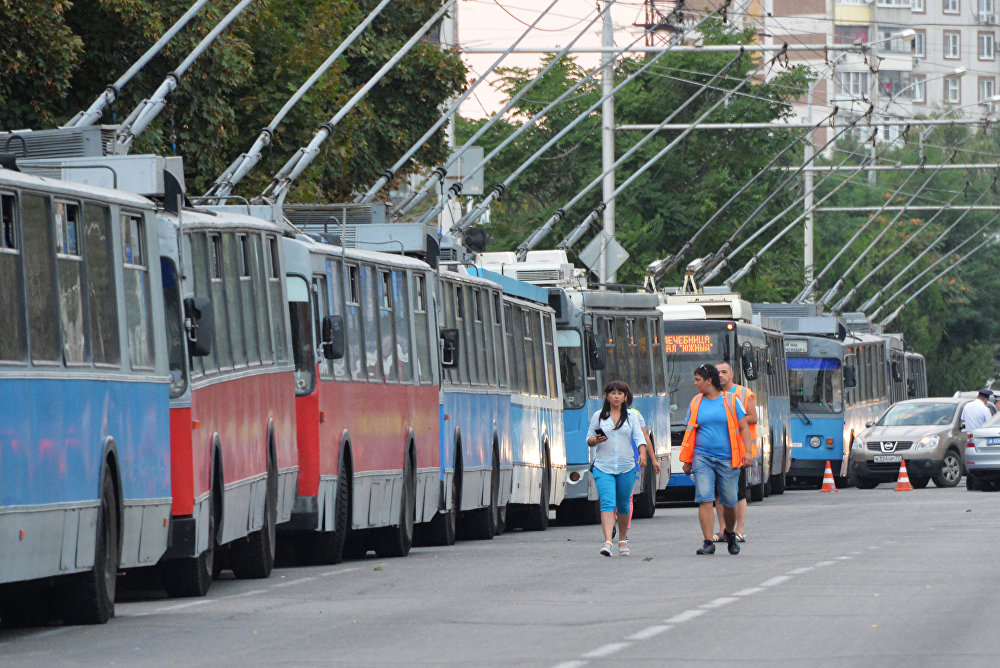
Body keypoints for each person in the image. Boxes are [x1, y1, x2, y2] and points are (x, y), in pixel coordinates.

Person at [679, 364, 752, 556]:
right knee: (705, 497)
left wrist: (748, 453)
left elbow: (744, 427)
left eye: (698, 380)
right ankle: (708, 542)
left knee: (730, 501)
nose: (695, 383)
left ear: (708, 381)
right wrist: (687, 460)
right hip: (702, 457)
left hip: (728, 458)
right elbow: (690, 432)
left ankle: (730, 533)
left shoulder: (731, 400)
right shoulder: (696, 402)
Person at [587, 380, 647, 557]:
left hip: (626, 467)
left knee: (623, 505)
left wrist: (642, 454)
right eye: (613, 393)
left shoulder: (631, 417)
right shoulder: (599, 416)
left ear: (625, 397)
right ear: (607, 396)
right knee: (607, 502)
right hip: (603, 467)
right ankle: (607, 541)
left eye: (620, 393)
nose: (616, 397)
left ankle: (622, 539)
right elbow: (589, 438)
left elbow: (639, 438)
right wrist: (595, 440)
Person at [712, 360, 756, 544]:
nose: (721, 375)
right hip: (718, 451)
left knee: (738, 493)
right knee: (718, 494)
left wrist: (733, 419)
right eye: (717, 373)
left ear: (731, 374)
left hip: (738, 451)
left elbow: (753, 417)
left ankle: (740, 530)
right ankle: (723, 530)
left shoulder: (743, 393)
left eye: (724, 372)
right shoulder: (711, 394)